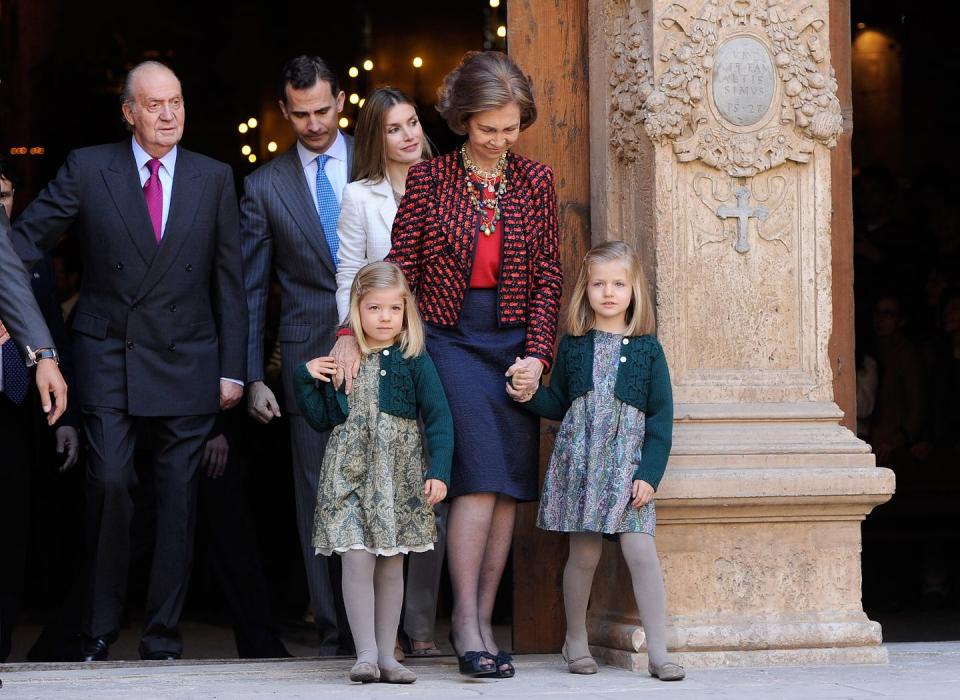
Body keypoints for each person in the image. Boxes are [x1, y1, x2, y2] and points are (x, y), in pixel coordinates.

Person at [11, 60, 247, 661]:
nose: (169, 114)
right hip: (107, 353)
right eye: (154, 104)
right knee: (110, 485)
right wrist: (22, 323)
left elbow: (230, 280)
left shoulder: (214, 176)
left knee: (177, 501)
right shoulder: (89, 167)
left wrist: (233, 368)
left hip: (188, 356)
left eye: (176, 102)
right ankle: (97, 627)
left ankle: (163, 637)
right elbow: (19, 243)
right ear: (128, 112)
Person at [378, 50, 563, 677]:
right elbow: (400, 268)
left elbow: (547, 280)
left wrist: (537, 356)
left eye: (510, 128)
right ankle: (462, 623)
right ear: (462, 120)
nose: (499, 140)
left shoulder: (536, 181)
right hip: (450, 341)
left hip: (511, 343)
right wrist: (362, 331)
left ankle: (484, 619)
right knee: (478, 475)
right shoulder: (430, 181)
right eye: (488, 128)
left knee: (508, 484)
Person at [509, 241, 684, 682]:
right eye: (599, 284)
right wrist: (528, 396)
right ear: (585, 290)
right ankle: (576, 640)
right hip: (582, 462)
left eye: (619, 284)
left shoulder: (648, 349)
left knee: (640, 551)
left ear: (633, 290)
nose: (609, 292)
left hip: (628, 466)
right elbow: (560, 402)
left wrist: (649, 474)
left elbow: (661, 420)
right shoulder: (573, 346)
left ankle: (659, 651)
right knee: (583, 554)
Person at [240, 55, 353, 655]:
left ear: (342, 100)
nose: (313, 124)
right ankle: (335, 631)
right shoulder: (263, 186)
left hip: (388, 349)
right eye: (300, 114)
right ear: (284, 110)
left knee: (399, 479)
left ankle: (401, 629)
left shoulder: (381, 156)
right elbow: (252, 288)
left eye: (323, 110)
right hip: (308, 355)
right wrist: (254, 375)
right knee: (317, 492)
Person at [293, 262, 452, 684]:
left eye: (394, 309)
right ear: (356, 311)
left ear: (406, 312)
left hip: (396, 478)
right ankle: (364, 653)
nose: (385, 318)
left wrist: (439, 470)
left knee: (391, 564)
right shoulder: (344, 358)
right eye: (374, 308)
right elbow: (321, 416)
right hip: (348, 475)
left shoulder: (413, 359)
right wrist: (303, 379)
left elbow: (439, 418)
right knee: (357, 559)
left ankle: (387, 655)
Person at [334, 86, 443, 657]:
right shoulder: (360, 197)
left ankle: (421, 626)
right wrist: (348, 335)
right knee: (380, 482)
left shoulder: (448, 180)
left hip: (438, 343)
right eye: (395, 128)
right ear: (376, 139)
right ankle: (381, 639)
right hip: (381, 344)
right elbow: (349, 271)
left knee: (426, 484)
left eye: (414, 123)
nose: (409, 135)